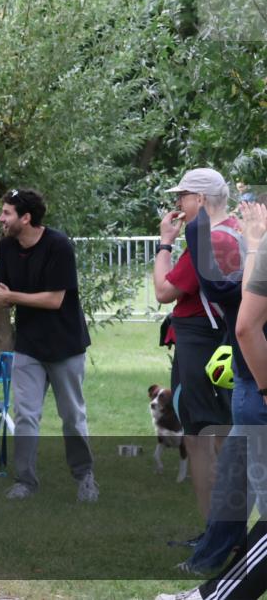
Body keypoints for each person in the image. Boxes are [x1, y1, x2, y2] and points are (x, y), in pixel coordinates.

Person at [0, 188, 97, 502]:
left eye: (7, 213)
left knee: (72, 415)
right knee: (26, 414)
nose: (1, 219)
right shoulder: (7, 247)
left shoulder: (58, 246)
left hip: (65, 344)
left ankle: (85, 477)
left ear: (25, 218)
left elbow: (55, 299)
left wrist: (10, 297)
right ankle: (25, 481)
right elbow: (5, 289)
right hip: (28, 344)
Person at [153, 168, 234, 524]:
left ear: (200, 200)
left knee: (202, 439)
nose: (178, 204)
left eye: (183, 196)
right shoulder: (232, 231)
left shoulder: (210, 239)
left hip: (199, 344)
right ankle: (222, 537)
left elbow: (163, 291)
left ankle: (215, 538)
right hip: (220, 345)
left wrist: (165, 243)